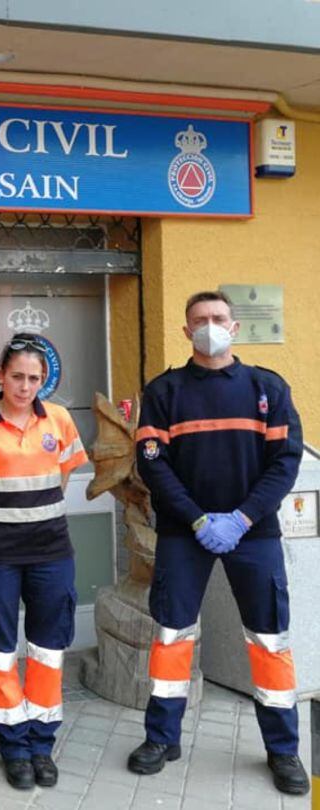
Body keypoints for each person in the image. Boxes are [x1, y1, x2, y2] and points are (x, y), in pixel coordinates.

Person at [126, 291, 307, 795]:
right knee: (172, 636)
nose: (210, 326)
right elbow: (152, 464)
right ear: (186, 332)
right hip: (186, 534)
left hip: (254, 533)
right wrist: (199, 520)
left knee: (269, 641)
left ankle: (283, 750)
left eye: (218, 318)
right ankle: (162, 738)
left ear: (236, 325)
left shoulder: (267, 387)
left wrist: (242, 517)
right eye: (200, 320)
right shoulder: (164, 391)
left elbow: (285, 463)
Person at [0, 333, 87, 791]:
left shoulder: (60, 420)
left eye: (35, 378)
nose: (26, 386)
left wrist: (31, 517)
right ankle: (14, 746)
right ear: (0, 376)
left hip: (50, 552)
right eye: (18, 376)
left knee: (47, 650)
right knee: (1, 651)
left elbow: (64, 475)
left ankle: (42, 743)